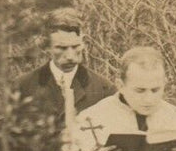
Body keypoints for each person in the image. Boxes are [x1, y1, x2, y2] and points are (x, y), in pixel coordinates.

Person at [12, 8, 117, 141]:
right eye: (61, 48)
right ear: (46, 46)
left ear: (83, 42)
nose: (70, 56)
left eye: (75, 46)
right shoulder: (23, 87)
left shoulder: (105, 90)